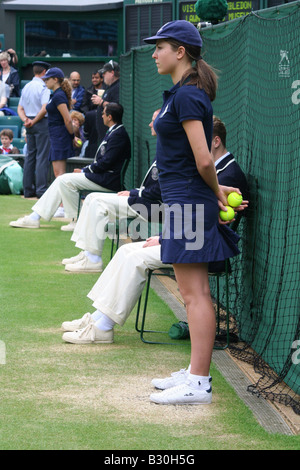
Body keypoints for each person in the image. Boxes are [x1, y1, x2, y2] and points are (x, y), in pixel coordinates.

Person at [61, 117, 249, 348]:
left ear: (216, 141)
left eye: (200, 140)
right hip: (188, 240)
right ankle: (99, 318)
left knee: (136, 258)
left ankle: (103, 328)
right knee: (126, 250)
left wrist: (164, 238)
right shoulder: (210, 169)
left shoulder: (228, 174)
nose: (193, 146)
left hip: (204, 248)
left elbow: (202, 221)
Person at [141, 20, 244, 405]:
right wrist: (216, 191)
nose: (154, 54)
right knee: (192, 292)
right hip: (184, 199)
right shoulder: (183, 94)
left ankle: (199, 382)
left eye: (160, 47)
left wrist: (215, 191)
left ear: (180, 51)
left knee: (195, 293)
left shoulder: (188, 96)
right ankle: (194, 372)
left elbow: (204, 160)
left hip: (187, 201)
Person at [61, 109, 162, 272]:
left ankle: (93, 259)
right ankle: (87, 253)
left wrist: (135, 193)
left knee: (98, 202)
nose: (150, 124)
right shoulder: (164, 147)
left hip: (155, 206)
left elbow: (159, 192)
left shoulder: (171, 152)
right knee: (92, 198)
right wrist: (136, 192)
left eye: (153, 120)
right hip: (145, 199)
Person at [9, 102, 131, 229]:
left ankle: (76, 221)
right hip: (103, 176)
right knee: (63, 179)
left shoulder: (118, 134)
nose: (102, 116)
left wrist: (85, 171)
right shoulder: (114, 132)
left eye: (103, 114)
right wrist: (85, 170)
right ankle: (36, 217)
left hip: (109, 180)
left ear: (109, 117)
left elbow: (106, 162)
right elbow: (104, 162)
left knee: (65, 180)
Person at [17, 60, 51, 198]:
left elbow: (20, 108)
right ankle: (41, 191)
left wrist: (26, 120)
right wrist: (33, 121)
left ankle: (28, 190)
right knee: (42, 157)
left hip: (29, 122)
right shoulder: (44, 87)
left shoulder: (26, 87)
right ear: (44, 72)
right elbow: (44, 108)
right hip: (40, 122)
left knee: (30, 156)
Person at [43, 67, 74, 178]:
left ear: (55, 79)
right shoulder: (56, 95)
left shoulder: (59, 96)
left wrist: (72, 136)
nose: (45, 81)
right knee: (58, 173)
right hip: (56, 135)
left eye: (47, 79)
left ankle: (63, 196)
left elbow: (68, 119)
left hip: (60, 136)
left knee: (59, 174)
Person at [91, 60, 120, 143]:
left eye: (105, 73)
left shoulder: (118, 87)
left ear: (112, 73)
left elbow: (117, 107)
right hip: (104, 134)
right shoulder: (110, 87)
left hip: (111, 135)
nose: (102, 75)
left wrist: (101, 102)